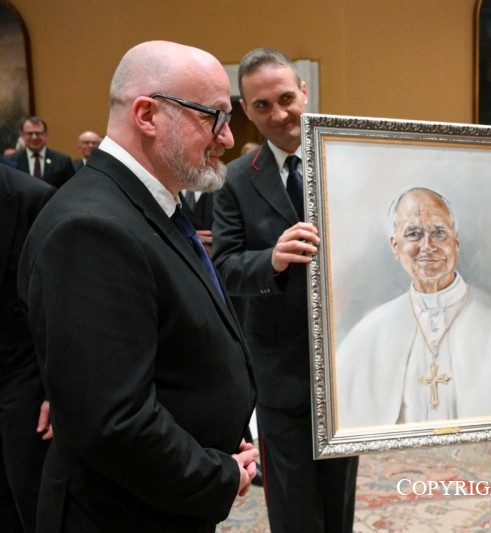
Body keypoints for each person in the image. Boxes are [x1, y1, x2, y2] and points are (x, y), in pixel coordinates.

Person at [17, 40, 259, 532]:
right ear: (147, 114)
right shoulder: (91, 228)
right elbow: (113, 421)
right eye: (214, 117)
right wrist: (215, 476)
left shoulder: (145, 205)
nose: (229, 138)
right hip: (120, 514)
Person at [213, 47, 358, 533]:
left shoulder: (348, 161)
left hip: (346, 363)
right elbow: (225, 266)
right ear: (245, 110)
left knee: (339, 497)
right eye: (261, 106)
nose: (277, 115)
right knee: (292, 501)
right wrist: (270, 261)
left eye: (285, 98)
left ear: (305, 93)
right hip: (278, 366)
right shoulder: (234, 178)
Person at [336, 187, 491, 428]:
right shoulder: (366, 336)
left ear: (455, 242)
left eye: (439, 232)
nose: (427, 246)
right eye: (414, 233)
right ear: (395, 246)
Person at [0, 164, 54, 532]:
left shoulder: (33, 197)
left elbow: (54, 309)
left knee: (27, 497)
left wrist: (56, 390)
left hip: (22, 378)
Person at [4, 117, 75, 188]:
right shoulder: (10, 162)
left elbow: (72, 189)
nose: (34, 137)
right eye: (30, 133)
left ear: (46, 135)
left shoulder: (62, 161)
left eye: (38, 133)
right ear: (22, 135)